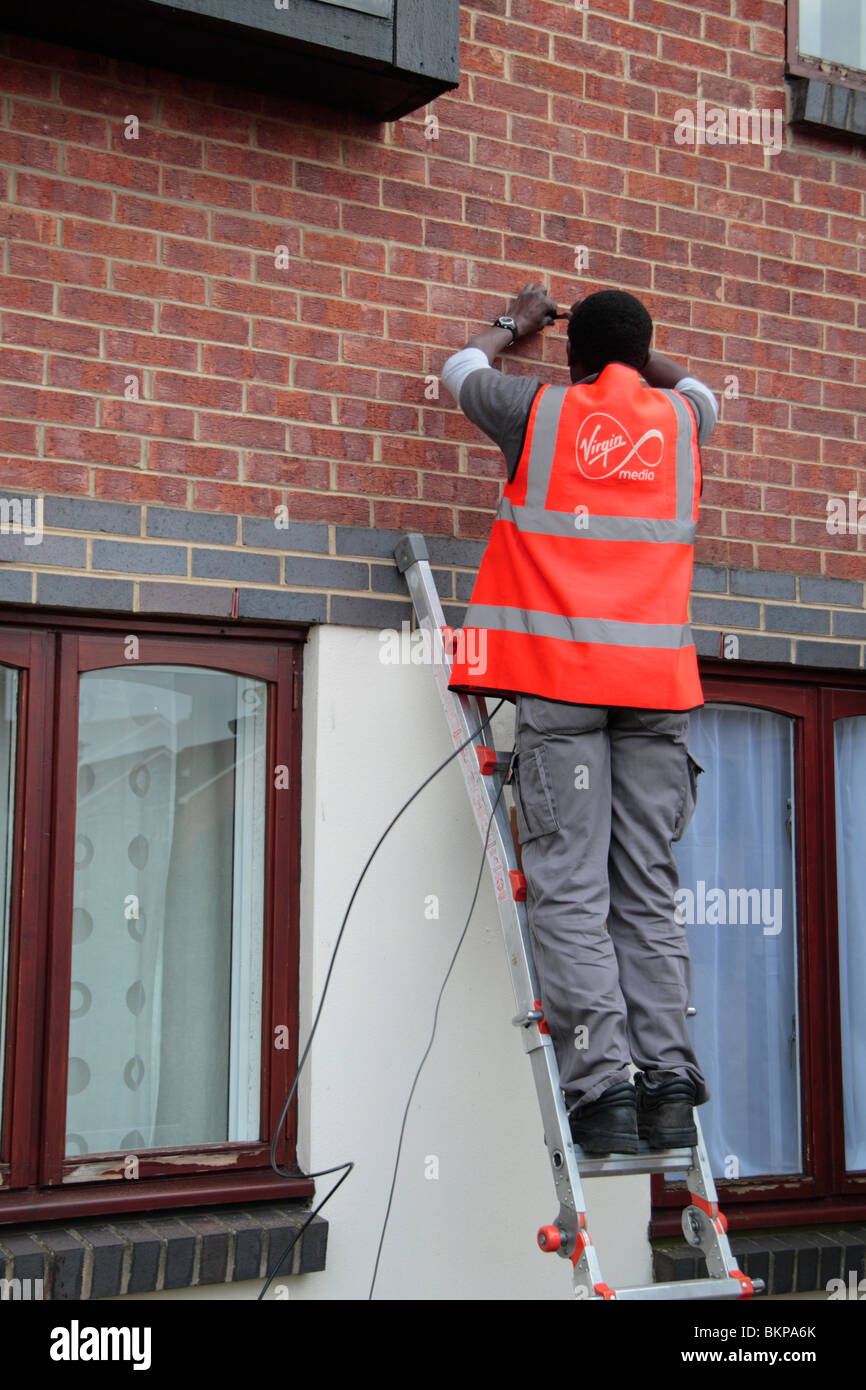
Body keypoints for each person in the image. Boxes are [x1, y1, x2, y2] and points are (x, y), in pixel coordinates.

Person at [440, 284, 717, 1154]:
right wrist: (638, 364)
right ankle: (668, 1083)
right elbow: (701, 389)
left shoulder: (541, 412)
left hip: (564, 687)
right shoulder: (681, 421)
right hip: (656, 694)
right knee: (645, 889)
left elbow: (459, 368)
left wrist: (517, 326)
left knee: (569, 887)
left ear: (573, 359)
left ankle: (601, 1095)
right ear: (641, 357)